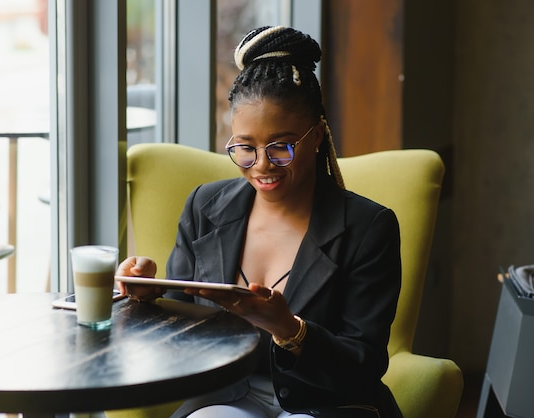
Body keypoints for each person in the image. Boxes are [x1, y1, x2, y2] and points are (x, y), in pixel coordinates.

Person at [117, 25, 403, 418]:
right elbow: (176, 328)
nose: (262, 165)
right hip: (227, 395)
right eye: (245, 148)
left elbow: (364, 365)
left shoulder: (368, 227)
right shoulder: (205, 206)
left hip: (326, 402)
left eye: (281, 147)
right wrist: (146, 298)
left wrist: (290, 329)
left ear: (317, 135)